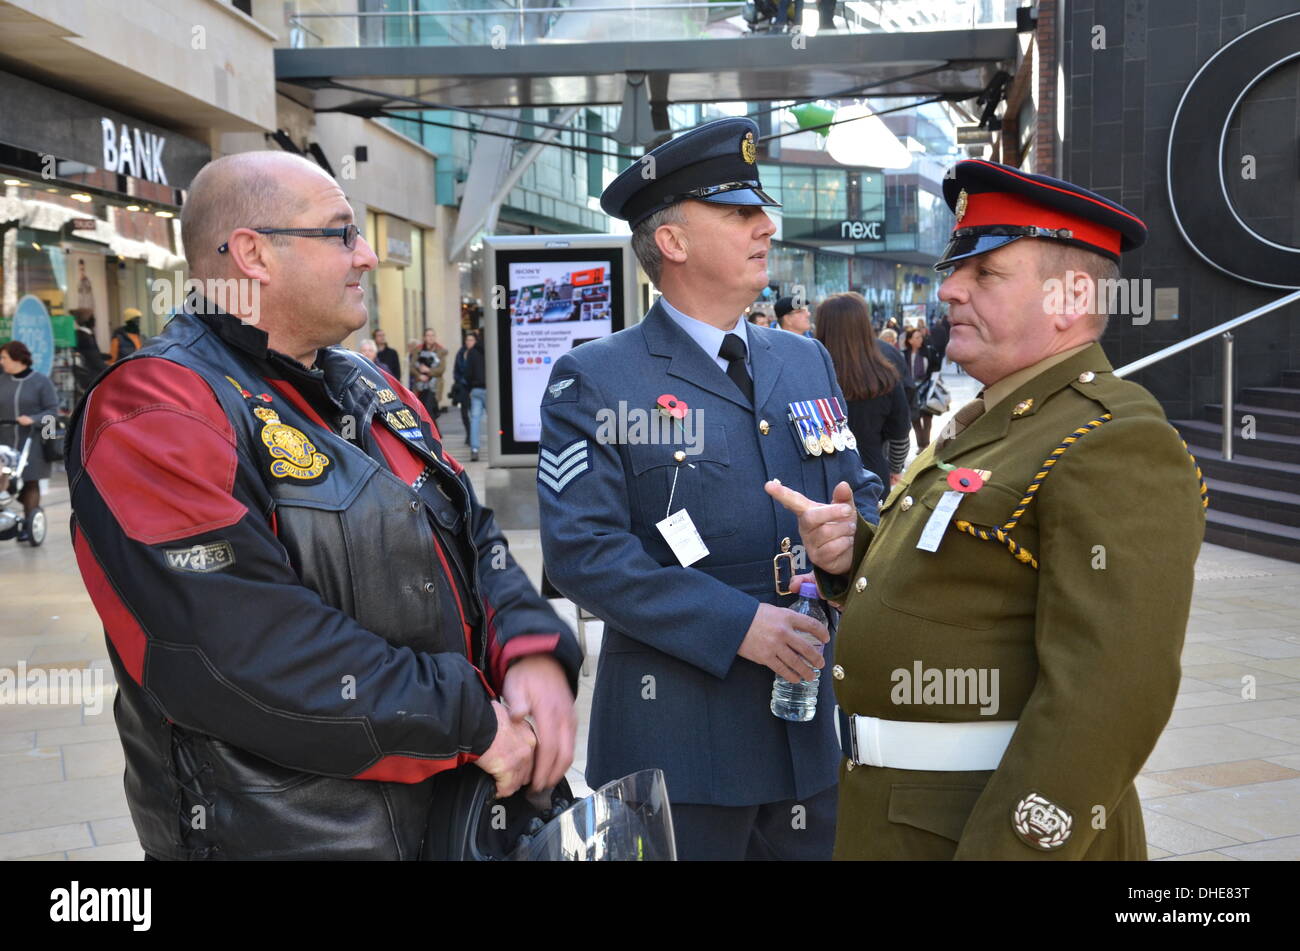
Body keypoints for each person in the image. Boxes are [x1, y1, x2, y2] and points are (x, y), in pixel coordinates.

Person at [64, 151, 581, 861]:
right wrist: (469, 719)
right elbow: (239, 649)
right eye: (341, 232)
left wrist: (530, 650)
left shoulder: (368, 386)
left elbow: (476, 537)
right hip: (290, 836)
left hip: (452, 821)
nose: (366, 255)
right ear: (253, 254)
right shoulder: (153, 408)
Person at [767, 159, 1208, 860]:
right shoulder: (1001, 417)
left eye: (987, 274)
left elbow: (1107, 701)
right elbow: (973, 576)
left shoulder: (1114, 439)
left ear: (1069, 298)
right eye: (954, 269)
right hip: (901, 819)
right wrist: (856, 554)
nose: (949, 289)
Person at [538, 117, 882, 861]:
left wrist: (847, 544)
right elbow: (581, 552)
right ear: (673, 241)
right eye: (738, 212)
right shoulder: (598, 377)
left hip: (806, 743)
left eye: (760, 210)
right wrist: (740, 626)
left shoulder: (805, 359)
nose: (766, 225)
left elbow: (861, 491)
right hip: (680, 752)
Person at [814, 294, 910, 491]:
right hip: (872, 472)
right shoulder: (885, 375)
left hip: (820, 476)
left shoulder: (808, 371)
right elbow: (900, 433)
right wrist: (895, 467)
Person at [0, 341, 60, 541]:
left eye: (4, 358)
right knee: (8, 482)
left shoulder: (41, 382)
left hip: (32, 441)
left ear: (17, 358)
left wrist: (33, 420)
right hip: (5, 440)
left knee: (30, 482)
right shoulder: (2, 381)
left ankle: (29, 522)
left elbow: (53, 412)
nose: (1, 362)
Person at [902, 326, 941, 450]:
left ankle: (926, 445)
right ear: (910, 340)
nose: (920, 340)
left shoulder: (928, 351)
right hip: (911, 391)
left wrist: (929, 379)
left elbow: (936, 367)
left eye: (921, 337)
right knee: (915, 419)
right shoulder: (904, 354)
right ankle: (921, 445)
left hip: (926, 389)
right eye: (917, 337)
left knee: (927, 418)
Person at [461, 331, 487, 461]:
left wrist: (470, 386)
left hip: (476, 389)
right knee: (495, 420)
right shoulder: (490, 349)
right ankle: (499, 448)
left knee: (475, 419)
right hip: (491, 390)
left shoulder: (471, 353)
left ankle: (475, 449)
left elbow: (467, 373)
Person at [413, 328, 448, 422]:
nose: (430, 338)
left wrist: (428, 370)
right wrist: (419, 375)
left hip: (434, 385)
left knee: (430, 409)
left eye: (432, 335)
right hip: (420, 385)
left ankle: (433, 434)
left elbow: (441, 369)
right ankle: (432, 433)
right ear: (424, 337)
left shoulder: (440, 350)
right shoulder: (418, 350)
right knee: (422, 410)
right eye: (428, 335)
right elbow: (412, 367)